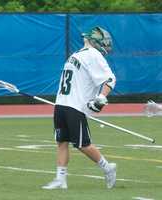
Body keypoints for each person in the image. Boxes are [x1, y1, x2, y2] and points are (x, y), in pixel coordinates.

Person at [42, 26, 116, 189]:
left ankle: (108, 168)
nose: (106, 46)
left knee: (83, 144)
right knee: (61, 142)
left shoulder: (93, 55)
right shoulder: (78, 54)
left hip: (75, 106)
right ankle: (60, 179)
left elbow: (110, 79)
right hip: (61, 103)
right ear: (96, 41)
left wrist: (101, 97)